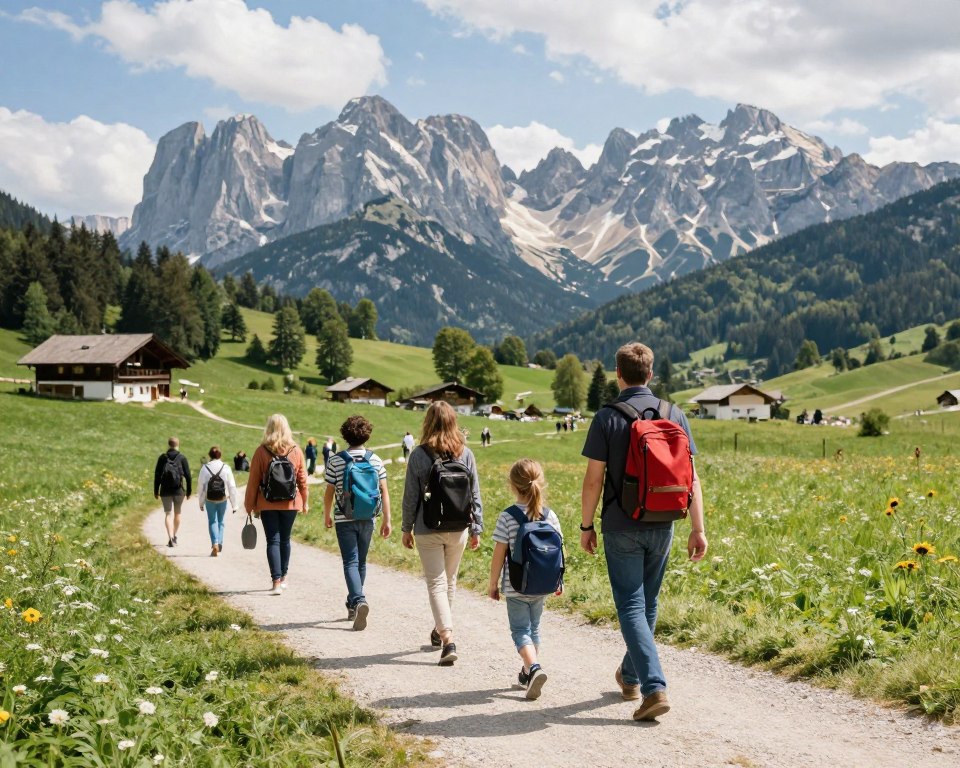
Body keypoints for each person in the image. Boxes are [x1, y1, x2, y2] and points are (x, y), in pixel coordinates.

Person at [580, 342, 707, 722]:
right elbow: (692, 478)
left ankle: (654, 688)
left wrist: (586, 525)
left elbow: (593, 480)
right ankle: (630, 675)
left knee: (632, 606)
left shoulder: (607, 417)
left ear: (618, 374)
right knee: (647, 604)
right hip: (664, 520)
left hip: (621, 524)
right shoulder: (674, 414)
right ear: (650, 374)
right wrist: (698, 528)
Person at [402, 401, 483, 666]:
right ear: (453, 422)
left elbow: (411, 496)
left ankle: (447, 639)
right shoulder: (466, 453)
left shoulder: (419, 455)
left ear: (428, 422)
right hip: (458, 528)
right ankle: (440, 630)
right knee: (449, 581)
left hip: (428, 527)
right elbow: (474, 494)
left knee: (436, 583)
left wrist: (406, 527)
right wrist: (477, 528)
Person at [488, 459, 562, 700]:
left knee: (521, 630)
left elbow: (499, 554)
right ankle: (528, 671)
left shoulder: (508, 516)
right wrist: (559, 581)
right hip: (542, 585)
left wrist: (493, 584)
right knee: (534, 628)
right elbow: (559, 552)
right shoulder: (550, 516)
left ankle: (534, 668)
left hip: (516, 586)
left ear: (512, 485)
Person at [323, 415, 392, 630]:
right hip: (368, 517)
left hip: (344, 518)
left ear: (345, 435)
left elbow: (329, 492)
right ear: (367, 435)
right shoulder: (375, 460)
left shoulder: (336, 460)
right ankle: (354, 602)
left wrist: (327, 514)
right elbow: (384, 491)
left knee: (350, 562)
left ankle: (358, 600)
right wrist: (387, 519)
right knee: (361, 562)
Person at [244, 414, 309, 595]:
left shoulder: (261, 451)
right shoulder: (296, 450)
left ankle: (276, 582)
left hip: (267, 503)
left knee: (273, 540)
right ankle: (284, 577)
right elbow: (302, 480)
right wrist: (305, 502)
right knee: (285, 539)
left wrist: (249, 505)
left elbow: (253, 482)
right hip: (291, 503)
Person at [198, 446, 238, 557]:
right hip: (222, 498)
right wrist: (234, 505)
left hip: (209, 499)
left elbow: (201, 487)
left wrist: (201, 503)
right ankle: (219, 543)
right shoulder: (226, 468)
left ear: (210, 455)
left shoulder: (205, 468)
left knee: (212, 521)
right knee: (221, 521)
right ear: (220, 455)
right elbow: (232, 486)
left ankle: (214, 543)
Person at [154, 436, 191, 548]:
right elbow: (188, 476)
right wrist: (189, 491)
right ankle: (174, 536)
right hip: (179, 490)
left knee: (168, 514)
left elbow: (157, 476)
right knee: (177, 513)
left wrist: (156, 490)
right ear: (178, 444)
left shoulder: (162, 458)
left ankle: (170, 537)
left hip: (165, 491)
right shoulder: (182, 458)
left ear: (168, 445)